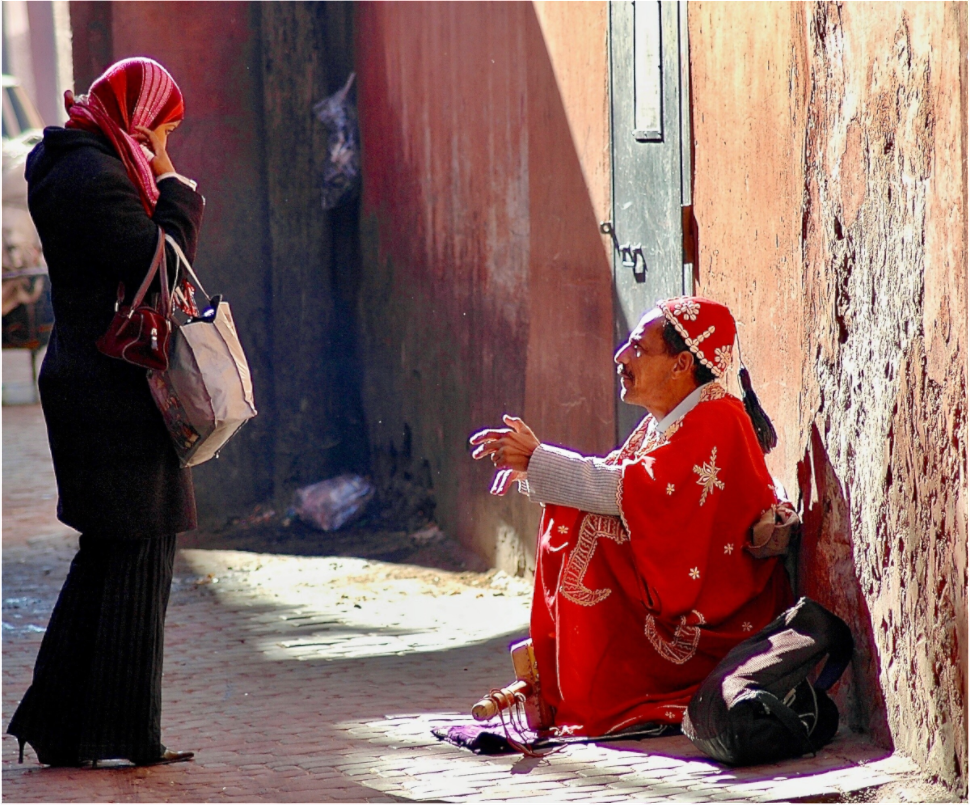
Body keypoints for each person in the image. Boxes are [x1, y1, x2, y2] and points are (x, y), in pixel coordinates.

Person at [470, 296, 794, 737]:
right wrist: (534, 467)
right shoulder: (669, 420)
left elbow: (630, 490)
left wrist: (538, 460)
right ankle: (566, 686)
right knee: (576, 521)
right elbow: (617, 480)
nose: (621, 356)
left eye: (639, 348)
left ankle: (604, 693)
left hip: (716, 611)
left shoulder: (716, 417)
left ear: (682, 364)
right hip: (682, 583)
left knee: (595, 535)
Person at [7, 58, 204, 766]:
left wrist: (156, 179)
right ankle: (119, 733)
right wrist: (176, 190)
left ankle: (64, 726)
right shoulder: (90, 174)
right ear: (137, 117)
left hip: (102, 382)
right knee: (135, 547)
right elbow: (161, 264)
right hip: (113, 389)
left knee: (119, 550)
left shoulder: (83, 163)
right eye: (162, 129)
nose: (162, 146)